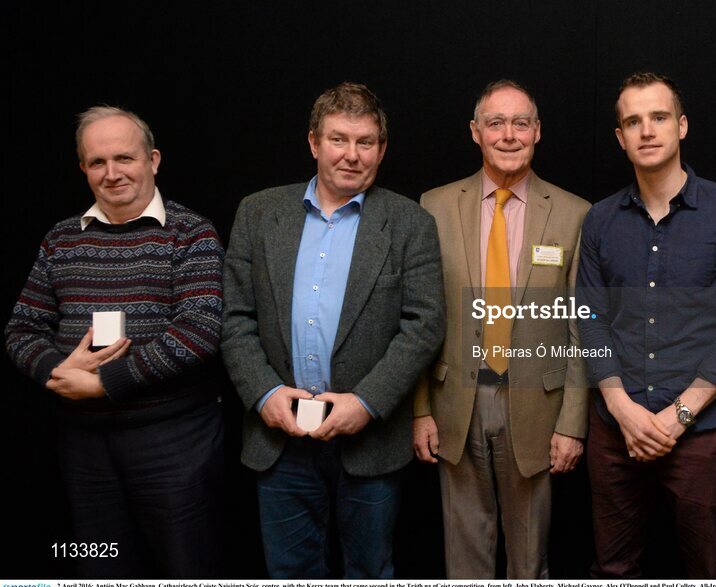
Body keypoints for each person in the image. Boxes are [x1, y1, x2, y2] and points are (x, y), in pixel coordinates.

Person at [221, 82, 444, 579]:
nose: (351, 154)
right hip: (279, 440)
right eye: (338, 139)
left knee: (369, 569)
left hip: (369, 444)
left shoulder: (410, 222)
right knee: (290, 571)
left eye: (365, 142)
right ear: (313, 143)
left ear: (382, 150)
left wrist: (365, 402)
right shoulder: (258, 214)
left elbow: (424, 325)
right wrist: (264, 394)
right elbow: (235, 318)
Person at [5, 106, 225, 578]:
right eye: (97, 162)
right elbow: (22, 328)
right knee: (102, 565)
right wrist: (56, 372)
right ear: (83, 168)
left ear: (153, 160)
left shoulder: (191, 233)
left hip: (174, 443)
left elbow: (200, 329)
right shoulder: (61, 239)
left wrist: (104, 382)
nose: (112, 173)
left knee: (187, 565)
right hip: (84, 447)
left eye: (124, 158)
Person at [576, 72, 716, 578]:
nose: (647, 130)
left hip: (702, 433)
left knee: (707, 566)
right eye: (632, 121)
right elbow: (589, 320)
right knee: (613, 567)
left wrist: (678, 415)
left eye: (658, 117)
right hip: (616, 433)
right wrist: (621, 408)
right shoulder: (599, 221)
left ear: (681, 126)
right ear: (620, 137)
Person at [412, 79, 590, 579]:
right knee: (463, 554)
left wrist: (573, 422)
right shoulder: (435, 205)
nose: (508, 135)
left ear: (537, 131)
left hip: (538, 407)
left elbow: (580, 328)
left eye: (520, 123)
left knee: (529, 556)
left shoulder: (575, 214)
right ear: (475, 132)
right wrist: (420, 410)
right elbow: (420, 319)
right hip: (455, 404)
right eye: (496, 123)